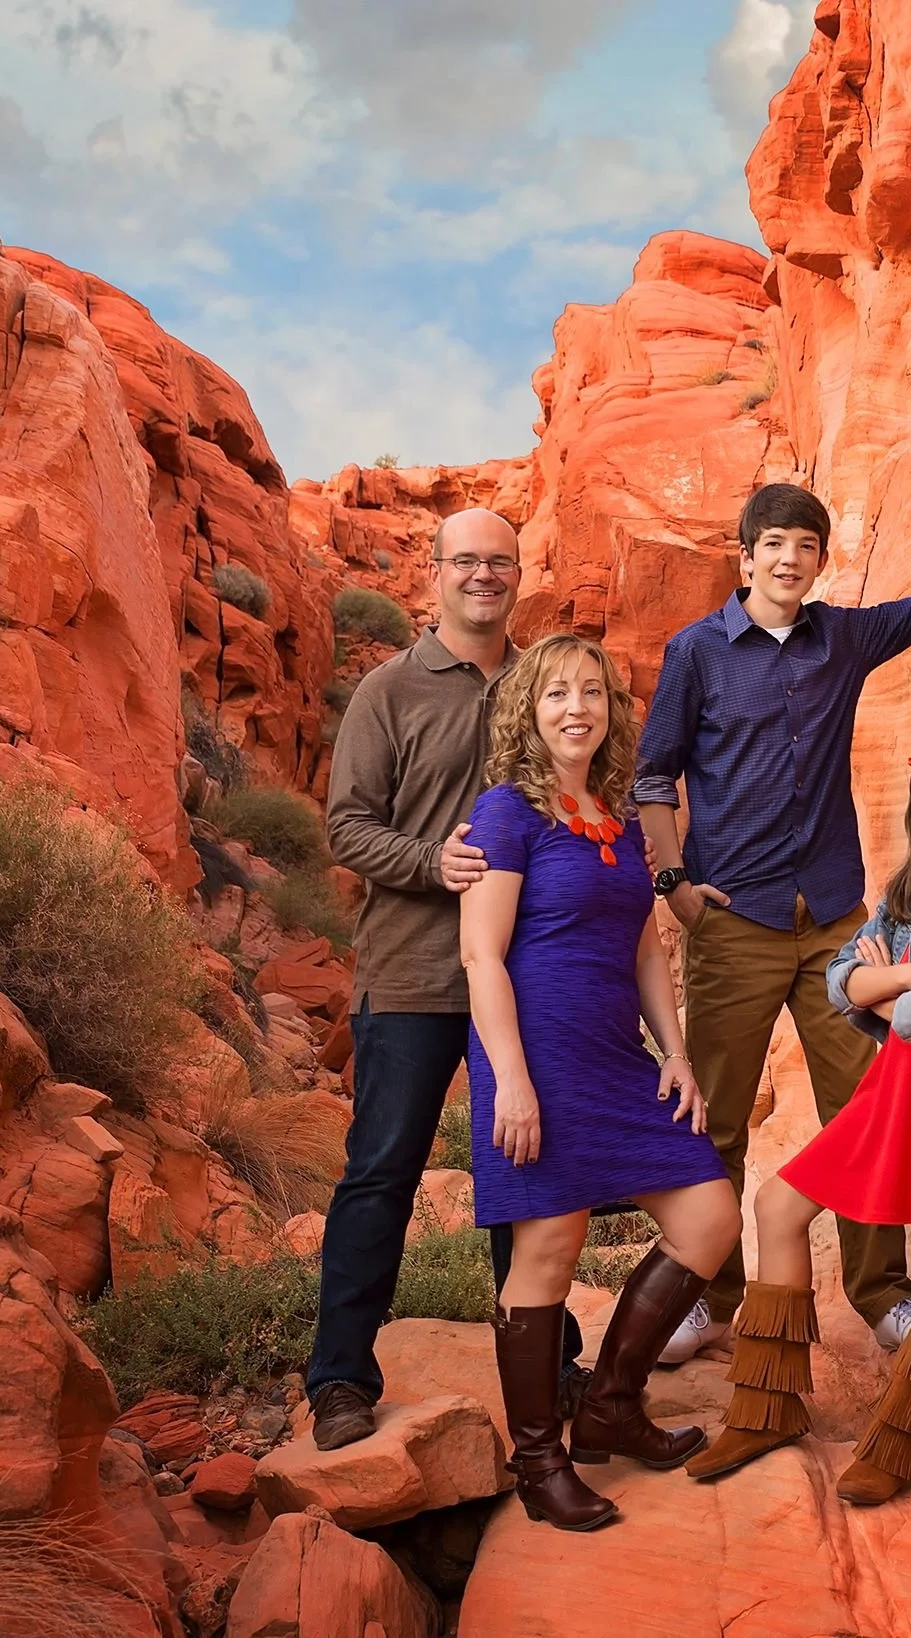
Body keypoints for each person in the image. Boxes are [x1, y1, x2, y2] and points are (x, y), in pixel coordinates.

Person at [632, 482, 911, 1362]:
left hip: (834, 922)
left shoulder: (840, 638)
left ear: (820, 559)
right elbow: (654, 776)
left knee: (866, 1108)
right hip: (733, 920)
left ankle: (882, 1294)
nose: (789, 560)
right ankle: (713, 1297)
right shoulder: (697, 652)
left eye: (805, 546)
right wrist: (673, 884)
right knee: (718, 1118)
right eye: (773, 544)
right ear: (746, 557)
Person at [305, 509, 593, 1450]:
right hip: (414, 976)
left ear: (519, 574)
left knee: (527, 1175)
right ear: (434, 572)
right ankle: (340, 1381)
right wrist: (434, 862)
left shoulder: (543, 684)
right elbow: (346, 826)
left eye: (499, 562)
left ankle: (549, 1376)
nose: (483, 576)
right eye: (465, 561)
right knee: (382, 1173)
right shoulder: (388, 691)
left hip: (528, 979)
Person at [686, 739, 911, 1503]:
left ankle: (902, 1442)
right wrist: (906, 974)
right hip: (900, 1078)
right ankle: (768, 1410)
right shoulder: (910, 890)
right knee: (778, 1205)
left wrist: (887, 985)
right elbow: (841, 983)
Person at [460, 634, 742, 1531]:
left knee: (710, 1217)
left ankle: (611, 1406)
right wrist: (510, 1080)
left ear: (612, 712)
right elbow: (481, 955)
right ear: (528, 711)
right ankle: (539, 1463)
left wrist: (677, 1054)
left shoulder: (617, 822)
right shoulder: (505, 813)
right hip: (537, 1055)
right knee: (549, 1247)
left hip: (619, 1056)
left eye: (592, 692)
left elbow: (647, 952)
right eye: (556, 694)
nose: (576, 708)